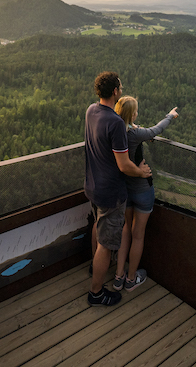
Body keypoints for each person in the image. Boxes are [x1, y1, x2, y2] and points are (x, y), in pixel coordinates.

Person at [84, 71, 151, 307]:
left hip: (92, 185)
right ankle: (96, 293)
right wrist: (141, 172)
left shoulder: (92, 111)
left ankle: (95, 267)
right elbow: (124, 166)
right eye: (120, 87)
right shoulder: (114, 122)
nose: (121, 89)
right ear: (115, 91)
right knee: (106, 243)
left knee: (98, 227)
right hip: (111, 193)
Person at [112, 96, 178, 293]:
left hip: (125, 189)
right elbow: (156, 130)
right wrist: (170, 115)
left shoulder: (116, 131)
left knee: (125, 231)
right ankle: (131, 279)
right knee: (137, 235)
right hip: (141, 189)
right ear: (132, 114)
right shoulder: (135, 134)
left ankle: (118, 276)